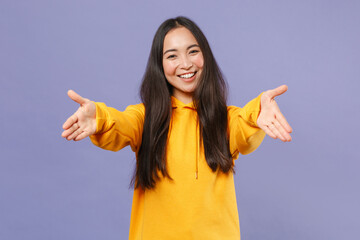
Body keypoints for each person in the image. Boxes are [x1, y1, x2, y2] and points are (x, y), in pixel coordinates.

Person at [61, 16, 292, 240]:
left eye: (193, 51)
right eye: (172, 56)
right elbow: (120, 124)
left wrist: (259, 111)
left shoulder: (225, 120)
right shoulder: (145, 118)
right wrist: (99, 118)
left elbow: (246, 126)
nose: (186, 63)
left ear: (206, 56)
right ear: (159, 66)